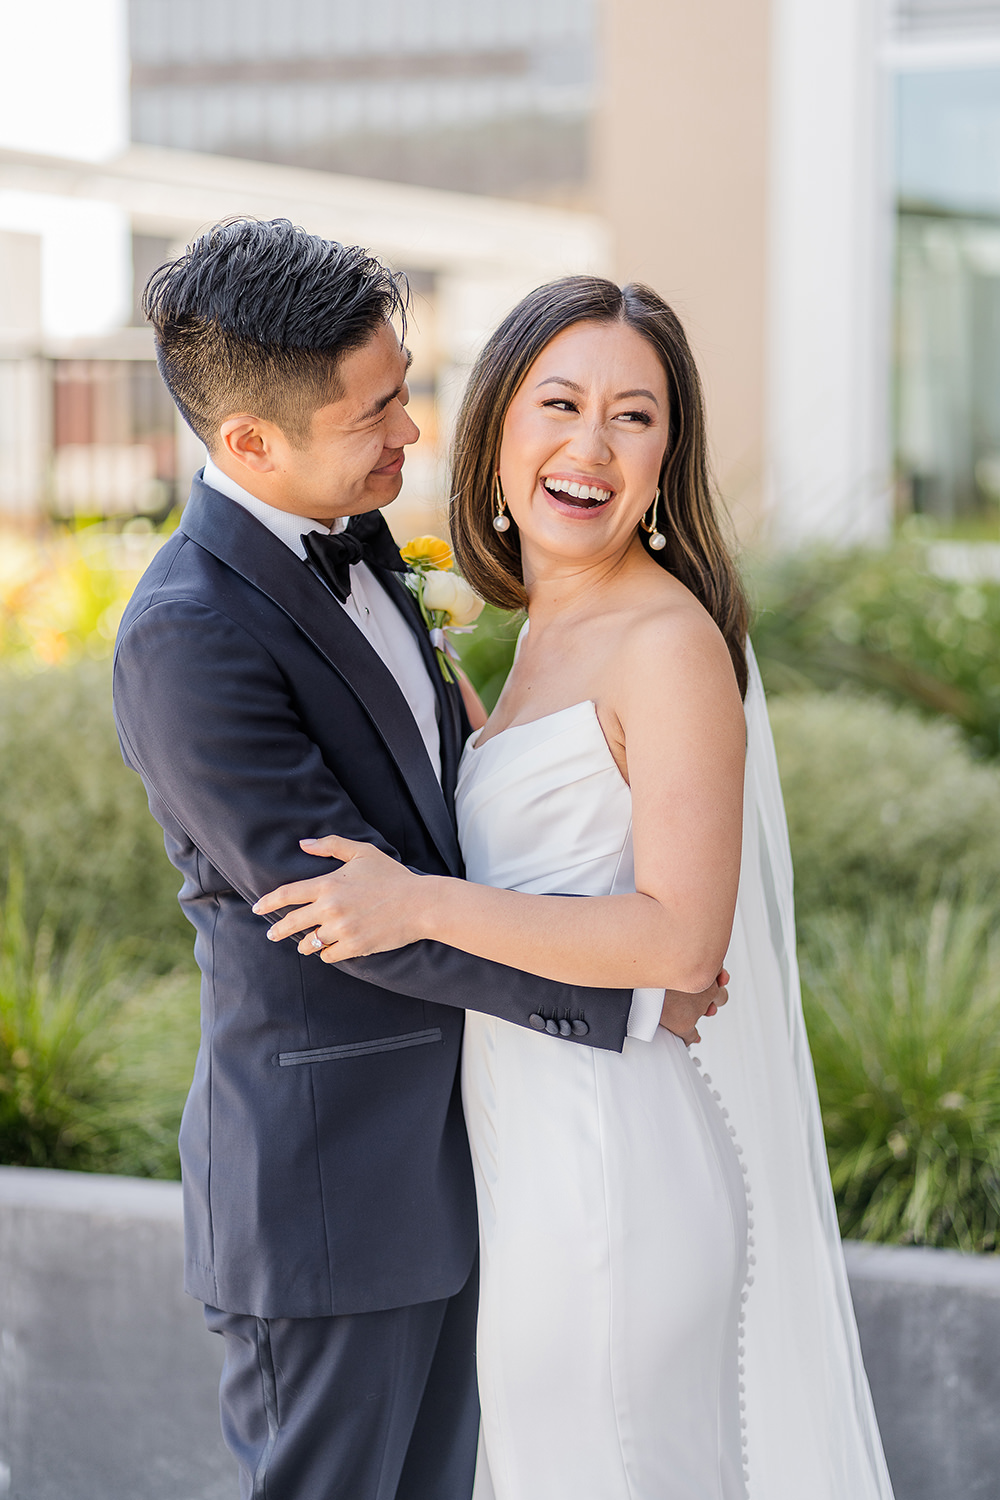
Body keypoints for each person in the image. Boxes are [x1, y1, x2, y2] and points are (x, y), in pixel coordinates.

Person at [113, 224, 726, 1500]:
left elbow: (453, 819)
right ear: (251, 447)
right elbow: (353, 911)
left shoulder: (370, 551)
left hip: (484, 1161)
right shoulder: (190, 638)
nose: (413, 432)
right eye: (376, 411)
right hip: (332, 1192)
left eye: (406, 384)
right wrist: (627, 983)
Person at [258, 278, 897, 1500]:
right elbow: (561, 833)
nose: (589, 446)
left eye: (633, 417)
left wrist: (421, 904)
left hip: (613, 1174)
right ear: (500, 424)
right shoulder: (551, 627)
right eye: (559, 402)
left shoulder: (667, 643)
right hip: (534, 1162)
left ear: (668, 458)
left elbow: (678, 936)